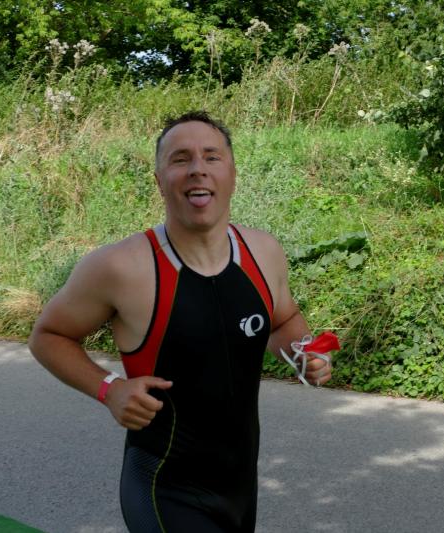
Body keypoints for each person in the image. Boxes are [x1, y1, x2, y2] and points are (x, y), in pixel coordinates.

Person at [28, 110, 333, 532]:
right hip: (164, 487)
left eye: (211, 157)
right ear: (159, 181)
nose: (197, 170)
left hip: (240, 487)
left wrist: (305, 354)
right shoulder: (120, 267)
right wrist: (110, 388)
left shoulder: (263, 252)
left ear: (232, 174)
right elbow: (48, 335)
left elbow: (284, 321)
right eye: (180, 159)